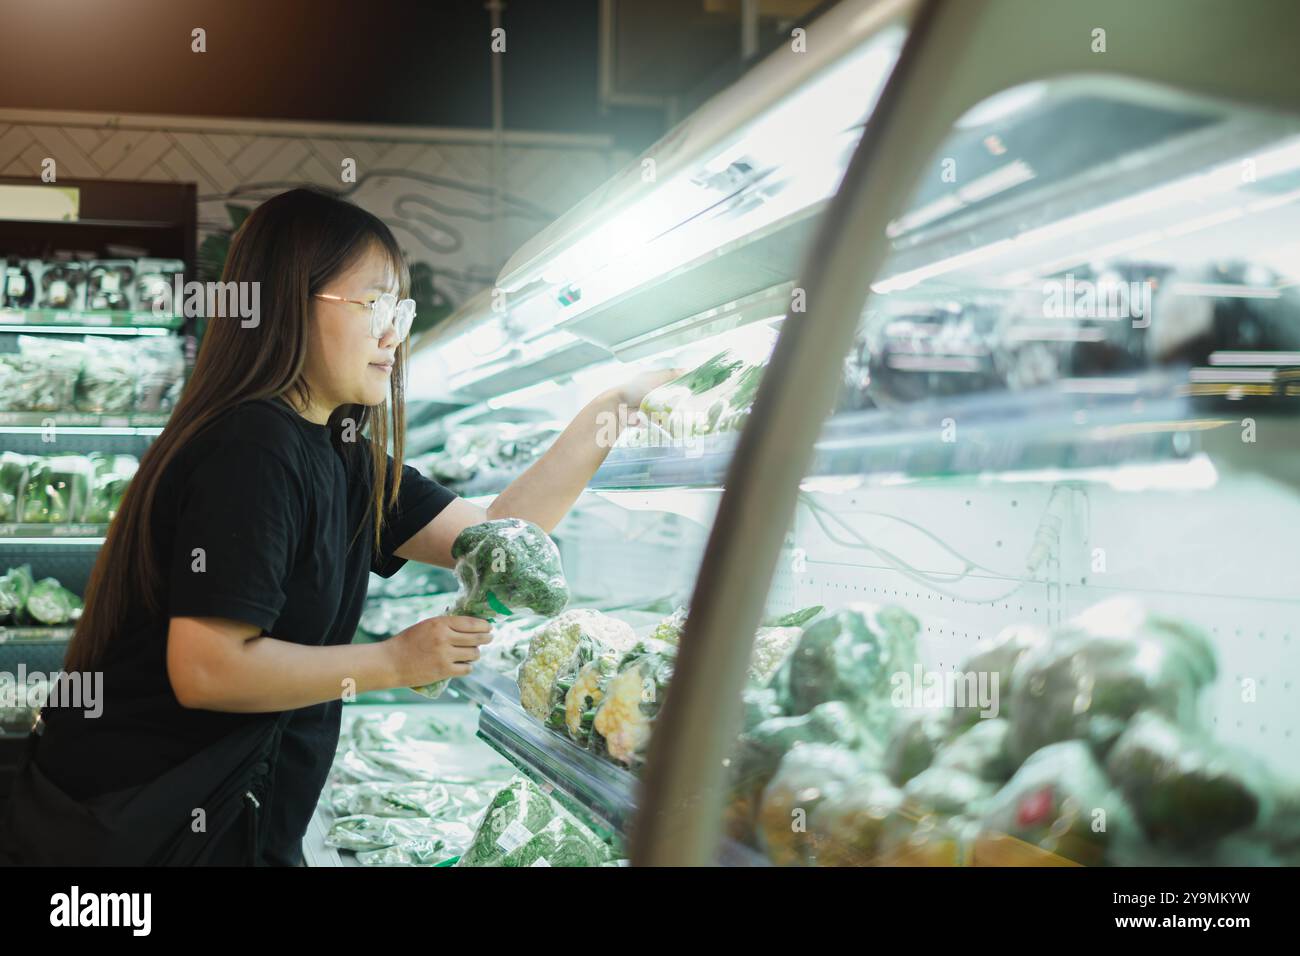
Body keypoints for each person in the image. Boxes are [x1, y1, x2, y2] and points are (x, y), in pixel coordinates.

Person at [0, 187, 673, 866]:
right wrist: (395, 661)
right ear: (292, 302)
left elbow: (505, 540)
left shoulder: (339, 452)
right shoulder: (252, 446)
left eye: (401, 310)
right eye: (376, 305)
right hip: (140, 829)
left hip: (215, 816)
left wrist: (610, 411)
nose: (394, 334)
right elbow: (206, 669)